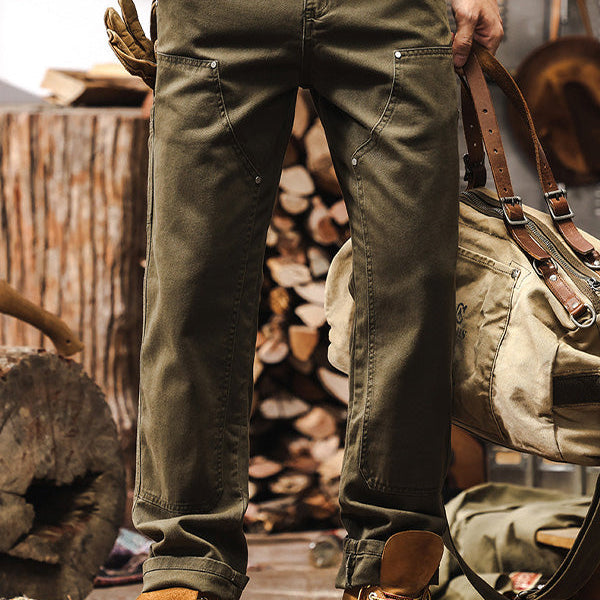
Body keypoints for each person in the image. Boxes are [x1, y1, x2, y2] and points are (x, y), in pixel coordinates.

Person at [124, 0, 503, 598]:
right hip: (216, 13)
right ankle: (186, 565)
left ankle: (393, 565)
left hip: (392, 11)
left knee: (413, 289)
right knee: (188, 292)